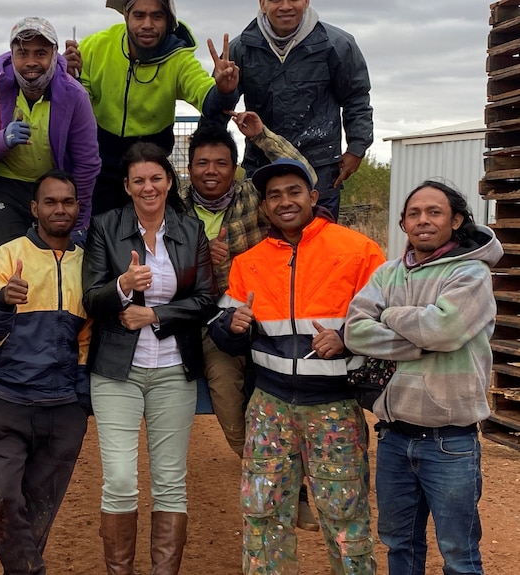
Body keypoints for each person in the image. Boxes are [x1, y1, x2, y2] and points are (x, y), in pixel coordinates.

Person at [209, 157, 384, 574]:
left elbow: (388, 327)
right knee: (262, 517)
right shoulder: (248, 263)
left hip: (335, 410)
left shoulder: (358, 251)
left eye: (293, 191)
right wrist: (232, 327)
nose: (284, 201)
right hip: (269, 407)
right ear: (264, 207)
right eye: (274, 195)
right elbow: (223, 331)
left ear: (313, 196)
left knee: (346, 519)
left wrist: (346, 341)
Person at [345, 181, 502, 575]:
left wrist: (390, 315)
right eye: (414, 214)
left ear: (457, 220)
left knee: (459, 555)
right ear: (403, 223)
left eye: (434, 212)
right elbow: (354, 331)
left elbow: (444, 331)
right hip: (394, 438)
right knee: (400, 546)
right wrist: (419, 338)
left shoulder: (471, 274)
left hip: (449, 443)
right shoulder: (387, 273)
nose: (423, 220)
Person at [183, 112, 322, 531]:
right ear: (189, 169)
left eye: (221, 163)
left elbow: (305, 175)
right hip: (213, 322)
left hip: (268, 315)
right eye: (202, 164)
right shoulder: (174, 208)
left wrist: (260, 134)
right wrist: (199, 259)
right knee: (227, 398)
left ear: (234, 167)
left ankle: (292, 491)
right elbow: (164, 272)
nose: (212, 172)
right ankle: (274, 474)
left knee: (282, 394)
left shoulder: (253, 197)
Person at [83, 142, 215, 574]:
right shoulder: (105, 226)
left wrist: (156, 313)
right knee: (119, 481)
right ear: (126, 186)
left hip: (174, 370)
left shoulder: (191, 229)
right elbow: (91, 298)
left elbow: (206, 299)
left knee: (170, 483)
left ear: (170, 180)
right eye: (138, 180)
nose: (148, 187)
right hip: (117, 370)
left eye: (156, 178)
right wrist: (122, 285)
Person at [0, 169, 91, 575]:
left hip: (63, 407)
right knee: (1, 503)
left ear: (77, 208)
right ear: (35, 209)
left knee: (38, 513)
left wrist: (81, 399)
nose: (59, 209)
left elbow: (90, 339)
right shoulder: (7, 256)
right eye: (50, 202)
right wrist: (2, 302)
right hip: (4, 401)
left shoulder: (89, 263)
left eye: (67, 202)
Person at [63, 0, 239, 215]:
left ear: (168, 21)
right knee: (97, 233)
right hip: (100, 159)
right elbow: (81, 101)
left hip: (150, 160)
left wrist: (223, 90)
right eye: (139, 15)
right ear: (126, 16)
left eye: (157, 16)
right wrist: (68, 80)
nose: (147, 24)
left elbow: (204, 93)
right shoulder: (96, 46)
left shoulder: (179, 57)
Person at [227, 0, 373, 220]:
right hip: (263, 168)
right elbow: (219, 108)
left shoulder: (338, 44)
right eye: (276, 0)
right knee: (267, 248)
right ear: (262, 4)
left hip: (321, 171)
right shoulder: (240, 49)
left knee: (320, 246)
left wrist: (357, 148)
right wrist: (220, 90)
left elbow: (356, 97)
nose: (286, 6)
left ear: (306, 1)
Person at [0, 16, 100, 247]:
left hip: (52, 189)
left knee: (54, 262)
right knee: (6, 263)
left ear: (55, 54)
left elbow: (87, 163)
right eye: (22, 53)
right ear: (12, 54)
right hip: (6, 187)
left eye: (40, 53)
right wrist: (2, 139)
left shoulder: (74, 95)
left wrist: (78, 219)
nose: (31, 62)